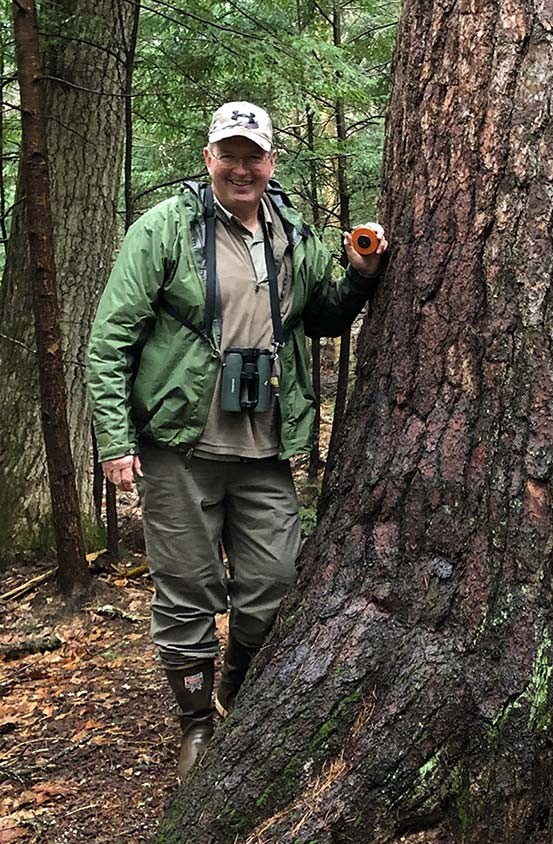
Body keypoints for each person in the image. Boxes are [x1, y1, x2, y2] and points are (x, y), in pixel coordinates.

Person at [86, 102, 387, 779]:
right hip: (178, 447)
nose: (242, 167)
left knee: (273, 588)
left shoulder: (295, 236)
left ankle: (238, 693)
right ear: (209, 158)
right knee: (187, 589)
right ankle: (195, 726)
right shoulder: (163, 230)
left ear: (271, 162)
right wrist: (114, 438)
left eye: (255, 155)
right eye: (231, 153)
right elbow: (110, 341)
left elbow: (325, 316)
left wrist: (363, 275)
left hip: (264, 449)